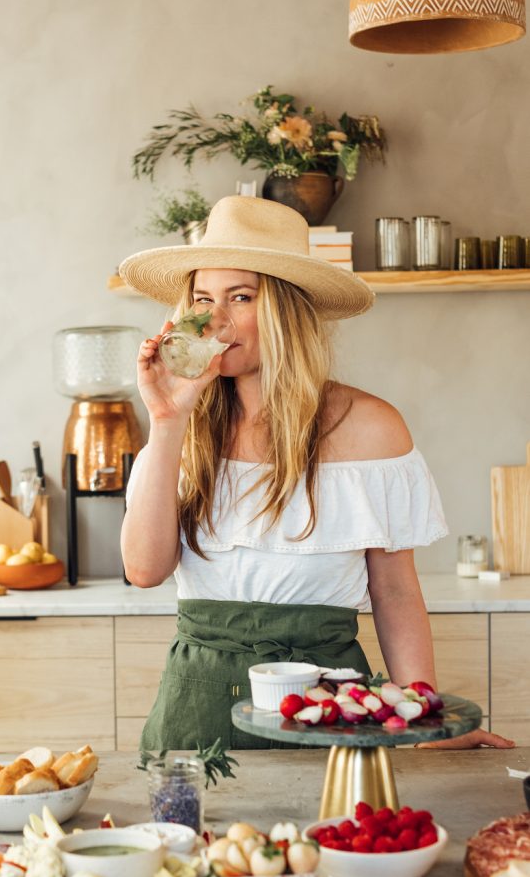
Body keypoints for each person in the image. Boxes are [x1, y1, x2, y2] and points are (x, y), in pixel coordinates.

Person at [119, 195, 513, 753]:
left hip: (331, 709)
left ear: (286, 309)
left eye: (241, 297)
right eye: (203, 299)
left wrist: (423, 718)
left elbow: (396, 593)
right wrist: (166, 421)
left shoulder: (373, 428)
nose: (216, 320)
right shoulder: (178, 427)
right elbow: (143, 569)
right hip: (193, 717)